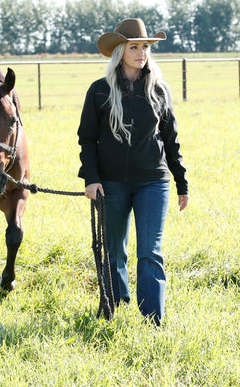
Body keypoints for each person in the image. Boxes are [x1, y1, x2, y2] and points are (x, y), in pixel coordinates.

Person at [77, 18, 189, 326]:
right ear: (120, 51)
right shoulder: (99, 91)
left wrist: (182, 183)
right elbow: (87, 138)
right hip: (110, 183)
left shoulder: (159, 90)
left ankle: (153, 319)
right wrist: (92, 178)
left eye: (145, 47)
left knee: (150, 251)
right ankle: (116, 304)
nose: (141, 53)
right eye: (134, 47)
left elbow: (171, 139)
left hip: (153, 181)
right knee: (114, 250)